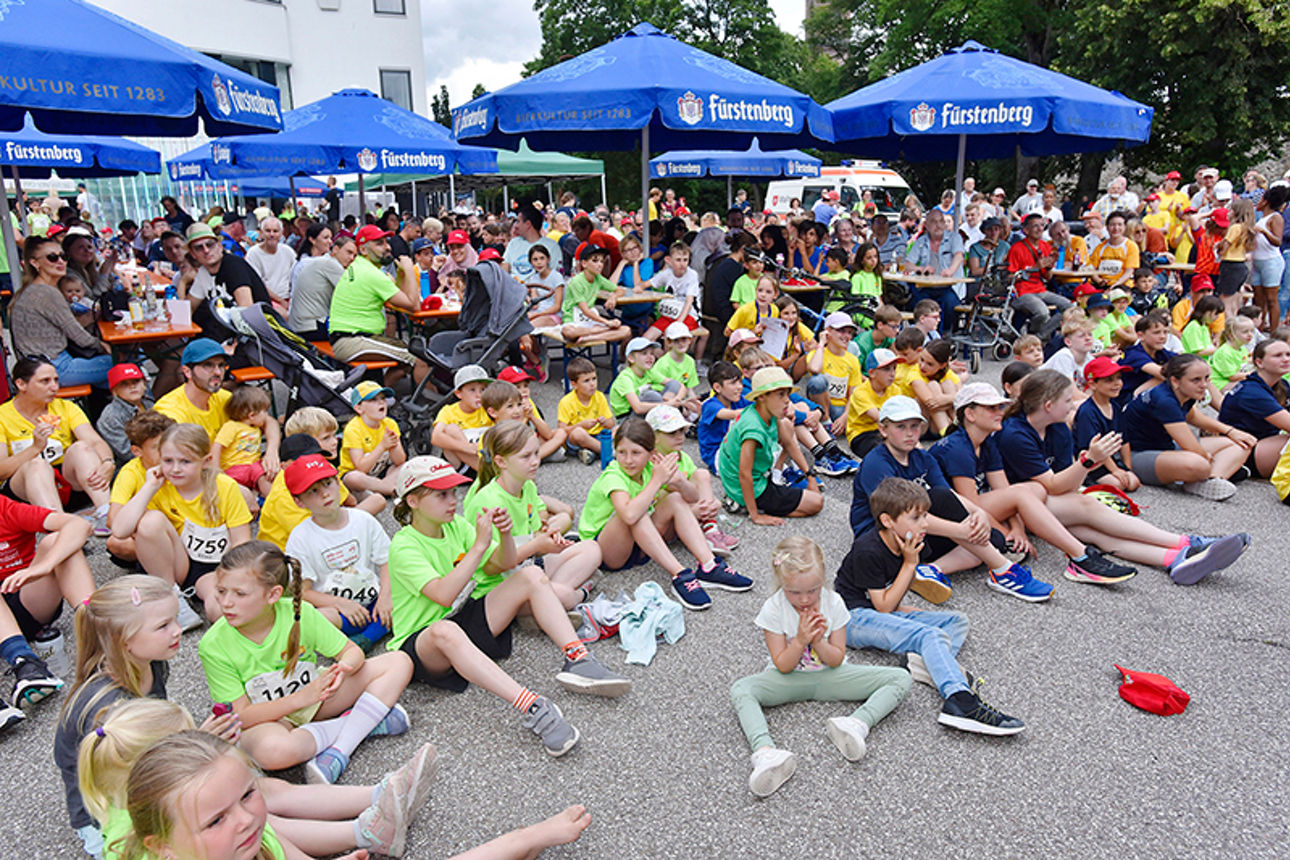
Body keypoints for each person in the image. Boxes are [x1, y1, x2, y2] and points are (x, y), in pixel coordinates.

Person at [387, 456, 613, 756]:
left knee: (530, 576)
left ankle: (578, 657)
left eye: (453, 492)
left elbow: (503, 563)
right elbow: (443, 595)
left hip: (462, 616)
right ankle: (533, 706)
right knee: (444, 631)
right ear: (413, 501)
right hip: (425, 642)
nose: (453, 501)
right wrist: (480, 545)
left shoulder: (455, 526)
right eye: (441, 495)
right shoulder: (404, 545)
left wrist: (504, 534)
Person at [998, 369, 1251, 585]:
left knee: (1093, 532)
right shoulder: (1015, 434)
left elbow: (1066, 486)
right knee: (1087, 507)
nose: (1074, 404)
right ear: (1048, 406)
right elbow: (1054, 486)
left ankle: (1175, 558)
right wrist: (1087, 462)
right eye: (1068, 400)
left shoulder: (1058, 429)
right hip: (1019, 510)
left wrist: (1085, 465)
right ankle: (1187, 542)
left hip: (1045, 504)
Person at [197, 540, 413, 784]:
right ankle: (363, 722)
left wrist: (344, 668)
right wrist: (301, 698)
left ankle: (340, 750)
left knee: (399, 661)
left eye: (239, 594)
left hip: (318, 699)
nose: (225, 602)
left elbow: (351, 652)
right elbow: (242, 716)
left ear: (273, 595)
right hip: (268, 721)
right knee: (274, 752)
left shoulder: (300, 612)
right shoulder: (213, 645)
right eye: (221, 591)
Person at [837, 477, 1027, 735]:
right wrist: (910, 564)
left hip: (879, 610)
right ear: (887, 521)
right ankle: (959, 700)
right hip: (853, 618)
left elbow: (892, 596)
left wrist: (904, 610)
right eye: (916, 518)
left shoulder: (910, 542)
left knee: (955, 621)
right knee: (930, 635)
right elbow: (881, 607)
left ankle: (921, 663)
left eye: (925, 515)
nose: (925, 523)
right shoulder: (868, 549)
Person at [732, 536, 911, 797]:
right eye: (794, 592)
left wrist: (817, 641)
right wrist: (800, 641)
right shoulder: (774, 607)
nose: (805, 599)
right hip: (789, 679)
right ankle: (765, 753)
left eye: (813, 590)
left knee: (901, 678)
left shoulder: (833, 602)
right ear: (781, 583)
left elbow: (836, 658)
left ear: (823, 579)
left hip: (831, 675)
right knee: (741, 689)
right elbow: (782, 665)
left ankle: (856, 724)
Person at [849, 394, 1053, 602]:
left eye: (915, 426)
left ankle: (928, 570)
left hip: (916, 534)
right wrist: (960, 531)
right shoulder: (877, 463)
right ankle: (1003, 571)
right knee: (944, 505)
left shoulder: (923, 457)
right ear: (883, 430)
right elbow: (901, 517)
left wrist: (979, 513)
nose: (909, 433)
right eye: (900, 427)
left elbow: (953, 495)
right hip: (885, 540)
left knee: (993, 539)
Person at [580, 418, 750, 611]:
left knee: (675, 499)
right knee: (635, 512)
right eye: (621, 452)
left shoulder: (650, 468)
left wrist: (679, 482)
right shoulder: (614, 475)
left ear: (651, 454)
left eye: (636, 453)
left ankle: (709, 565)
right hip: (605, 551)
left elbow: (693, 498)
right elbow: (628, 516)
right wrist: (657, 480)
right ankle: (680, 574)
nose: (628, 460)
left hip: (639, 545)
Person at [464, 422, 603, 609]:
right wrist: (537, 545)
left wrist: (549, 538)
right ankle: (576, 594)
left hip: (527, 568)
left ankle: (545, 602)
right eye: (526, 456)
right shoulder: (486, 502)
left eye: (536, 453)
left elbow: (534, 533)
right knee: (565, 595)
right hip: (498, 587)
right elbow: (490, 568)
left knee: (592, 548)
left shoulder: (527, 485)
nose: (535, 461)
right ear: (501, 462)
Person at [283, 455, 392, 653]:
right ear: (299, 501)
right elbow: (303, 592)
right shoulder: (300, 538)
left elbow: (387, 562)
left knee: (409, 589)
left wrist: (385, 597)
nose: (325, 494)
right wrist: (340, 603)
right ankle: (377, 630)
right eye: (313, 491)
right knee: (308, 619)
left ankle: (365, 639)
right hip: (337, 611)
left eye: (328, 483)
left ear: (338, 482)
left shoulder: (363, 520)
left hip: (374, 601)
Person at [0, 356, 115, 527]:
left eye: (55, 380)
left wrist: (108, 462)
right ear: (21, 384)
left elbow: (94, 441)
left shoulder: (66, 407)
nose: (55, 387)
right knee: (37, 465)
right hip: (24, 489)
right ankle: (60, 526)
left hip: (67, 481)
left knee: (82, 448)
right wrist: (35, 448)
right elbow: (1, 470)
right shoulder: (3, 416)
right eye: (45, 381)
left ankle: (107, 513)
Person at [1121, 354, 1251, 499]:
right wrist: (1206, 456)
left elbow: (1195, 418)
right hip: (1136, 454)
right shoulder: (1165, 401)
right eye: (1196, 380)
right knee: (1199, 463)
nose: (1204, 385)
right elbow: (1191, 447)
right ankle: (1207, 476)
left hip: (1164, 447)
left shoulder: (1183, 393)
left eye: (1206, 378)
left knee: (1242, 443)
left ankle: (1211, 480)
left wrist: (1231, 431)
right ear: (1175, 381)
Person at [718, 367, 825, 525]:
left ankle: (762, 500)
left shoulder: (765, 411)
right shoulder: (753, 429)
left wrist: (810, 476)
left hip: (756, 476)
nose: (787, 400)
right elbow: (744, 474)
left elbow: (790, 444)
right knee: (817, 503)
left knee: (786, 424)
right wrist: (756, 516)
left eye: (787, 394)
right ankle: (749, 505)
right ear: (762, 396)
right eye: (781, 394)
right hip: (747, 486)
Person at [327, 225, 428, 387]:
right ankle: (431, 402)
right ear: (364, 250)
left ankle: (381, 395)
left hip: (349, 337)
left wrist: (401, 273)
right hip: (353, 340)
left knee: (406, 351)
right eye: (379, 243)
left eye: (386, 242)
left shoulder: (360, 266)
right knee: (419, 358)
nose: (388, 247)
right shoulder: (372, 274)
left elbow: (402, 299)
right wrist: (410, 269)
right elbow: (414, 306)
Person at [10, 236, 112, 386]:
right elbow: (79, 336)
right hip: (54, 367)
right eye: (52, 258)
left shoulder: (35, 289)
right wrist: (103, 346)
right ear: (35, 263)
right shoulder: (45, 293)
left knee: (114, 381)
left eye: (63, 256)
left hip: (39, 365)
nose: (60, 261)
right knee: (123, 364)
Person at [178, 223, 273, 345]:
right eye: (199, 248)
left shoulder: (233, 266)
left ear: (219, 246)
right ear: (193, 254)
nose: (206, 250)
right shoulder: (203, 273)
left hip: (257, 339)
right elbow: (188, 310)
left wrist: (233, 347)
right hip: (228, 336)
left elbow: (247, 313)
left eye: (210, 245)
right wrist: (182, 282)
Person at [1216, 337, 1290, 477]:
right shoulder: (1252, 392)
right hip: (1244, 452)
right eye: (1278, 355)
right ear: (1259, 362)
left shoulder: (1282, 385)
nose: (1286, 359)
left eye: (1288, 354)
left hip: (1263, 444)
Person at [1071, 356, 1139, 491]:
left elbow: (1124, 441)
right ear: (1093, 384)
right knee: (1118, 485)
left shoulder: (1115, 407)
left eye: (1119, 378)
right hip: (1092, 462)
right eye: (1109, 380)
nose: (1117, 384)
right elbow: (1095, 448)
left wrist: (1127, 468)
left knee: (1133, 482)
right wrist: (1115, 471)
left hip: (1111, 459)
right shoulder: (1087, 411)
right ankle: (1086, 482)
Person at [339, 381, 406, 501]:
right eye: (373, 400)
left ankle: (381, 490)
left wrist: (393, 444)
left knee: (406, 467)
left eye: (383, 398)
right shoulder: (353, 429)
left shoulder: (390, 423)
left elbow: (400, 461)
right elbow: (361, 468)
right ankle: (391, 489)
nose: (381, 402)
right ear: (359, 408)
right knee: (354, 478)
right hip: (359, 476)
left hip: (381, 474)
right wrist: (382, 446)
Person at [1008, 213, 1072, 338]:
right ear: (1026, 230)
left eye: (1042, 225)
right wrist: (1034, 268)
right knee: (1043, 312)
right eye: (1035, 226)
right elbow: (1010, 277)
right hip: (1022, 291)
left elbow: (1048, 277)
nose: (1040, 229)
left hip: (1040, 289)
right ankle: (1034, 336)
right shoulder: (1016, 248)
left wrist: (1048, 267)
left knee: (1070, 307)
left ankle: (1037, 336)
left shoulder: (1045, 246)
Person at [901, 210, 964, 330]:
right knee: (915, 304)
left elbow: (959, 255)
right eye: (934, 222)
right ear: (927, 225)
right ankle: (922, 333)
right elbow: (908, 264)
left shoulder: (954, 238)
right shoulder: (921, 241)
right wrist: (921, 269)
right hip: (926, 287)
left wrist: (951, 270)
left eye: (941, 221)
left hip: (950, 287)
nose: (938, 225)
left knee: (950, 304)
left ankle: (945, 334)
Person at [212, 385, 276, 500]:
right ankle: (273, 499)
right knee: (259, 476)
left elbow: (271, 425)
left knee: (265, 474)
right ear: (252, 415)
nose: (266, 416)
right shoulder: (232, 427)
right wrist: (216, 469)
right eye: (264, 412)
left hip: (253, 467)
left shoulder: (255, 428)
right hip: (234, 468)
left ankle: (272, 500)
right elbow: (217, 445)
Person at [560, 244, 631, 345]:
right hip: (573, 321)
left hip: (591, 322)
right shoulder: (576, 281)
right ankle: (595, 332)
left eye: (602, 261)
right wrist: (607, 323)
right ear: (584, 263)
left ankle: (589, 338)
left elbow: (620, 290)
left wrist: (613, 297)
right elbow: (585, 310)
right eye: (595, 261)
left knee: (626, 330)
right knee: (568, 332)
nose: (600, 265)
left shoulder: (598, 278)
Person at [288, 235, 355, 340]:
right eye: (349, 252)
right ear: (336, 249)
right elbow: (352, 293)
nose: (351, 258)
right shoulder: (331, 264)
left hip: (301, 325)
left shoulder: (322, 261)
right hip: (311, 327)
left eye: (354, 255)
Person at [432, 365, 494, 472]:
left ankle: (485, 471)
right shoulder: (449, 411)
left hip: (485, 457)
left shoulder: (489, 408)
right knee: (451, 429)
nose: (478, 395)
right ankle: (484, 472)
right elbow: (436, 437)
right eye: (472, 390)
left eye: (483, 390)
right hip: (460, 462)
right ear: (459, 394)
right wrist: (467, 447)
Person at [557, 357, 614, 466]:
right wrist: (581, 425)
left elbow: (611, 423)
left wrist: (604, 422)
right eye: (586, 381)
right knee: (578, 433)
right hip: (578, 440)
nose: (592, 384)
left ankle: (591, 452)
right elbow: (562, 430)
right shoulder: (566, 401)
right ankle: (608, 451)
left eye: (594, 379)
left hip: (598, 435)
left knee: (619, 429)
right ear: (574, 384)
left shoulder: (600, 396)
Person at [96, 364, 149, 467]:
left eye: (136, 381)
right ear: (115, 391)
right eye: (124, 384)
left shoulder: (148, 403)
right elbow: (126, 453)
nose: (132, 386)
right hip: (124, 466)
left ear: (144, 384)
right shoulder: (111, 416)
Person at [245, 216, 296, 307]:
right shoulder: (253, 254)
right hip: (266, 300)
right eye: (268, 231)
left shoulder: (288, 251)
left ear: (281, 233)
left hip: (289, 298)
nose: (272, 234)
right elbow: (257, 284)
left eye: (275, 231)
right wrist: (281, 301)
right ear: (261, 233)